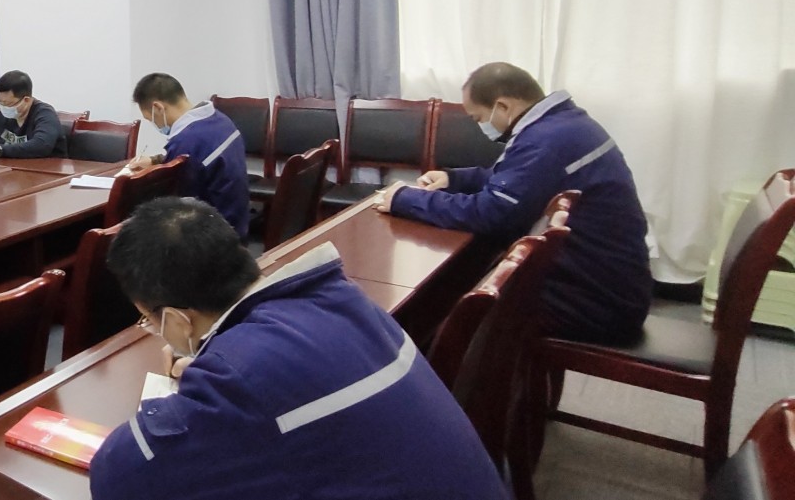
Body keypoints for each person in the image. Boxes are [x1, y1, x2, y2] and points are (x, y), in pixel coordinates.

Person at [91, 198, 506, 499]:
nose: (154, 331)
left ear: (177, 320)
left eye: (150, 322)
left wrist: (191, 393)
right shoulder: (340, 299)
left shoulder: (240, 377)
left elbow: (117, 475)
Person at [377, 62, 652, 345]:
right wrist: (453, 179)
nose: (481, 126)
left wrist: (406, 199)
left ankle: (440, 365)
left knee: (460, 312)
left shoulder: (545, 140)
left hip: (597, 303)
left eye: (478, 118)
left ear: (503, 106)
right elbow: (516, 179)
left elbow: (491, 213)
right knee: (467, 279)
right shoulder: (563, 124)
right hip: (611, 285)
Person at [123, 73, 250, 237]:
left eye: (150, 119)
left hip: (214, 237)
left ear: (158, 108)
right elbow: (198, 159)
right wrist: (155, 161)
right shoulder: (220, 120)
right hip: (237, 222)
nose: (155, 124)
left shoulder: (185, 141)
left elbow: (175, 202)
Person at [0, 70, 67, 158]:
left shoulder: (45, 114)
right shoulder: (1, 113)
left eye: (7, 103)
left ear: (26, 100)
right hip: (14, 168)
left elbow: (41, 146)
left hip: (47, 169)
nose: (3, 107)